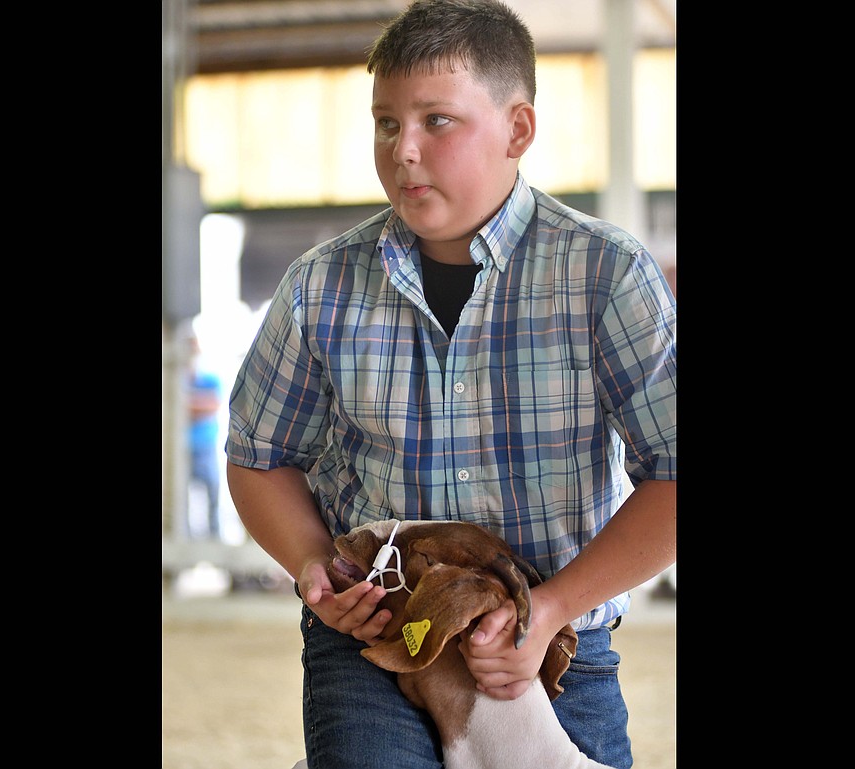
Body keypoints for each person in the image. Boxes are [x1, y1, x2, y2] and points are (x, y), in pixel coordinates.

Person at [225, 1, 676, 766]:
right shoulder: (319, 286)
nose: (403, 150)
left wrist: (550, 609)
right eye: (385, 123)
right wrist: (314, 565)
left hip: (557, 640)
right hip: (376, 632)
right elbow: (258, 454)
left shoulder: (605, 273)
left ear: (518, 130)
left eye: (437, 121)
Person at [186, 333, 223, 539]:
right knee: (179, 503)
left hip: (206, 449)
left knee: (213, 498)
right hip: (181, 451)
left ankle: (214, 537)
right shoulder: (176, 379)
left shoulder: (209, 379)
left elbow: (213, 405)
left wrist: (186, 404)